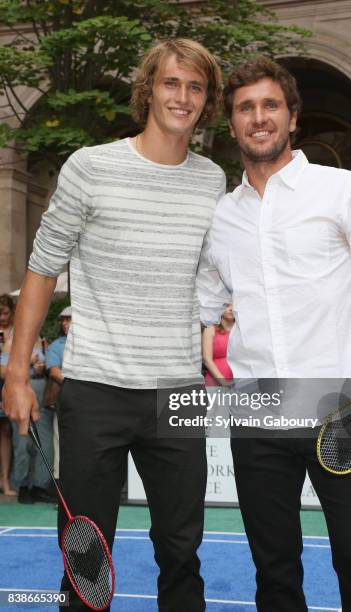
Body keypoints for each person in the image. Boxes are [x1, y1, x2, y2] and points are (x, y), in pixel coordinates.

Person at [3, 38, 224, 611]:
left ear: (207, 100)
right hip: (95, 389)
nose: (182, 97)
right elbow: (42, 269)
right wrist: (14, 375)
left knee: (182, 553)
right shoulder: (90, 167)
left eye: (195, 87)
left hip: (177, 394)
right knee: (87, 562)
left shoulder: (212, 181)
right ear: (148, 88)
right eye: (171, 83)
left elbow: (208, 283)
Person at [197, 56, 351, 611]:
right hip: (257, 412)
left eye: (271, 105)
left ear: (293, 118)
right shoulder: (221, 217)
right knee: (275, 573)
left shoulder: (345, 190)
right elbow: (201, 304)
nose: (258, 117)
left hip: (341, 407)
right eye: (245, 108)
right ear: (232, 122)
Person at [1, 334, 54, 504]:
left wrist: (41, 367)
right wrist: (28, 362)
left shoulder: (44, 341)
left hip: (41, 393)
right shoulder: (11, 341)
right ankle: (23, 486)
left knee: (45, 444)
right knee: (22, 442)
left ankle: (39, 486)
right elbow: (2, 371)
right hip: (22, 392)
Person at [45, 306, 72, 480]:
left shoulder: (91, 344)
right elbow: (54, 372)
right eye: (63, 319)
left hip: (92, 400)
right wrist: (77, 384)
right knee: (60, 442)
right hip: (66, 399)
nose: (65, 323)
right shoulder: (57, 345)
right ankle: (60, 488)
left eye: (69, 319)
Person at [0, 295, 17, 496]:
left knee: (5, 432)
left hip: (6, 386)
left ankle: (5, 480)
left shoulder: (17, 333)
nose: (2, 317)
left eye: (5, 313)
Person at [202, 304, 234, 386]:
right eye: (227, 306)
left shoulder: (240, 329)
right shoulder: (210, 329)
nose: (231, 309)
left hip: (239, 382)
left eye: (234, 305)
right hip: (215, 382)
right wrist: (223, 382)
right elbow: (207, 360)